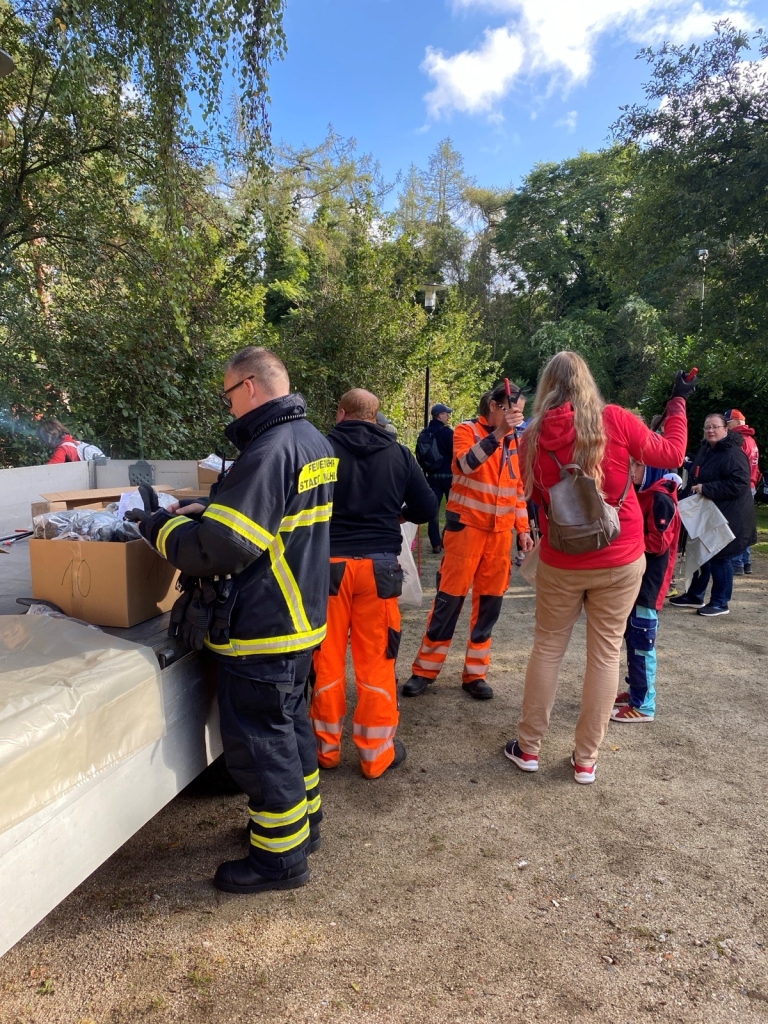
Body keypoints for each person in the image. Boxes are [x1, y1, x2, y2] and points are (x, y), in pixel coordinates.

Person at [130, 347, 336, 894]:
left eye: (227, 396)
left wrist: (159, 528)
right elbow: (266, 520)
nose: (229, 408)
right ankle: (304, 826)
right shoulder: (310, 438)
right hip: (297, 616)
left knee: (259, 743)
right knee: (290, 727)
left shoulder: (270, 449)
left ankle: (279, 861)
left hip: (262, 624)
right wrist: (209, 509)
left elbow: (221, 548)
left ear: (247, 387)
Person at [504, 352, 691, 783]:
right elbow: (673, 453)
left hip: (561, 558)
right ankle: (586, 759)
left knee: (547, 649)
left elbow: (533, 497)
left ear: (547, 386)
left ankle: (528, 747)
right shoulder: (616, 420)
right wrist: (678, 403)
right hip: (619, 554)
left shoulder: (529, 437)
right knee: (605, 655)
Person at [309, 389, 437, 779]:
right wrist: (397, 516)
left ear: (341, 412)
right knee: (377, 663)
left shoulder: (320, 449)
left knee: (326, 661)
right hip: (380, 571)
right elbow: (428, 508)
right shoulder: (399, 454)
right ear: (377, 417)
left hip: (329, 568)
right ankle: (376, 756)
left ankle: (324, 751)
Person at [402, 382, 533, 702]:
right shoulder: (466, 431)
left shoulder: (513, 440)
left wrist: (523, 528)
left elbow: (516, 487)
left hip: (499, 537)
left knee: (489, 607)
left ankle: (476, 673)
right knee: (448, 603)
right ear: (495, 406)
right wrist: (499, 434)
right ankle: (424, 670)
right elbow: (463, 465)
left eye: (521, 411)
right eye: (514, 409)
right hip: (466, 533)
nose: (518, 416)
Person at [611, 462, 681, 724]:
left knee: (642, 642)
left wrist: (626, 539)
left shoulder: (661, 498)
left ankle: (644, 705)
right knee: (633, 638)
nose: (631, 471)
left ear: (651, 470)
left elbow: (658, 542)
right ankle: (636, 691)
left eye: (638, 466)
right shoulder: (649, 494)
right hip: (637, 580)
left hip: (648, 584)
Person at [669, 413, 756, 616]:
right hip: (709, 514)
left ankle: (720, 602)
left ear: (726, 429)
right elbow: (701, 471)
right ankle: (695, 595)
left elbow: (739, 483)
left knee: (720, 558)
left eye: (715, 427)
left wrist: (706, 488)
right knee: (703, 556)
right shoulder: (708, 449)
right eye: (707, 427)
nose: (710, 430)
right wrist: (687, 466)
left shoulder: (733, 453)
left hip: (730, 517)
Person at [725, 409, 760, 575]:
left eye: (727, 421)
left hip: (741, 487)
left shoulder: (738, 440)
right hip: (750, 484)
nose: (725, 425)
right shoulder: (751, 440)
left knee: (737, 525)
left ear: (736, 422)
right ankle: (746, 562)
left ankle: (737, 562)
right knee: (745, 524)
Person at [416, 403, 455, 553]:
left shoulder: (424, 433)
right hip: (448, 475)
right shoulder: (447, 432)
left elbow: (419, 455)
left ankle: (435, 543)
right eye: (446, 414)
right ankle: (447, 538)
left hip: (431, 476)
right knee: (452, 509)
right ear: (439, 415)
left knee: (434, 509)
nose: (448, 416)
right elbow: (455, 453)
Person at [37, 418, 104, 462]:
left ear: (50, 437)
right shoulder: (75, 443)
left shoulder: (63, 449)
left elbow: (49, 470)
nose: (44, 443)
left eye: (43, 439)